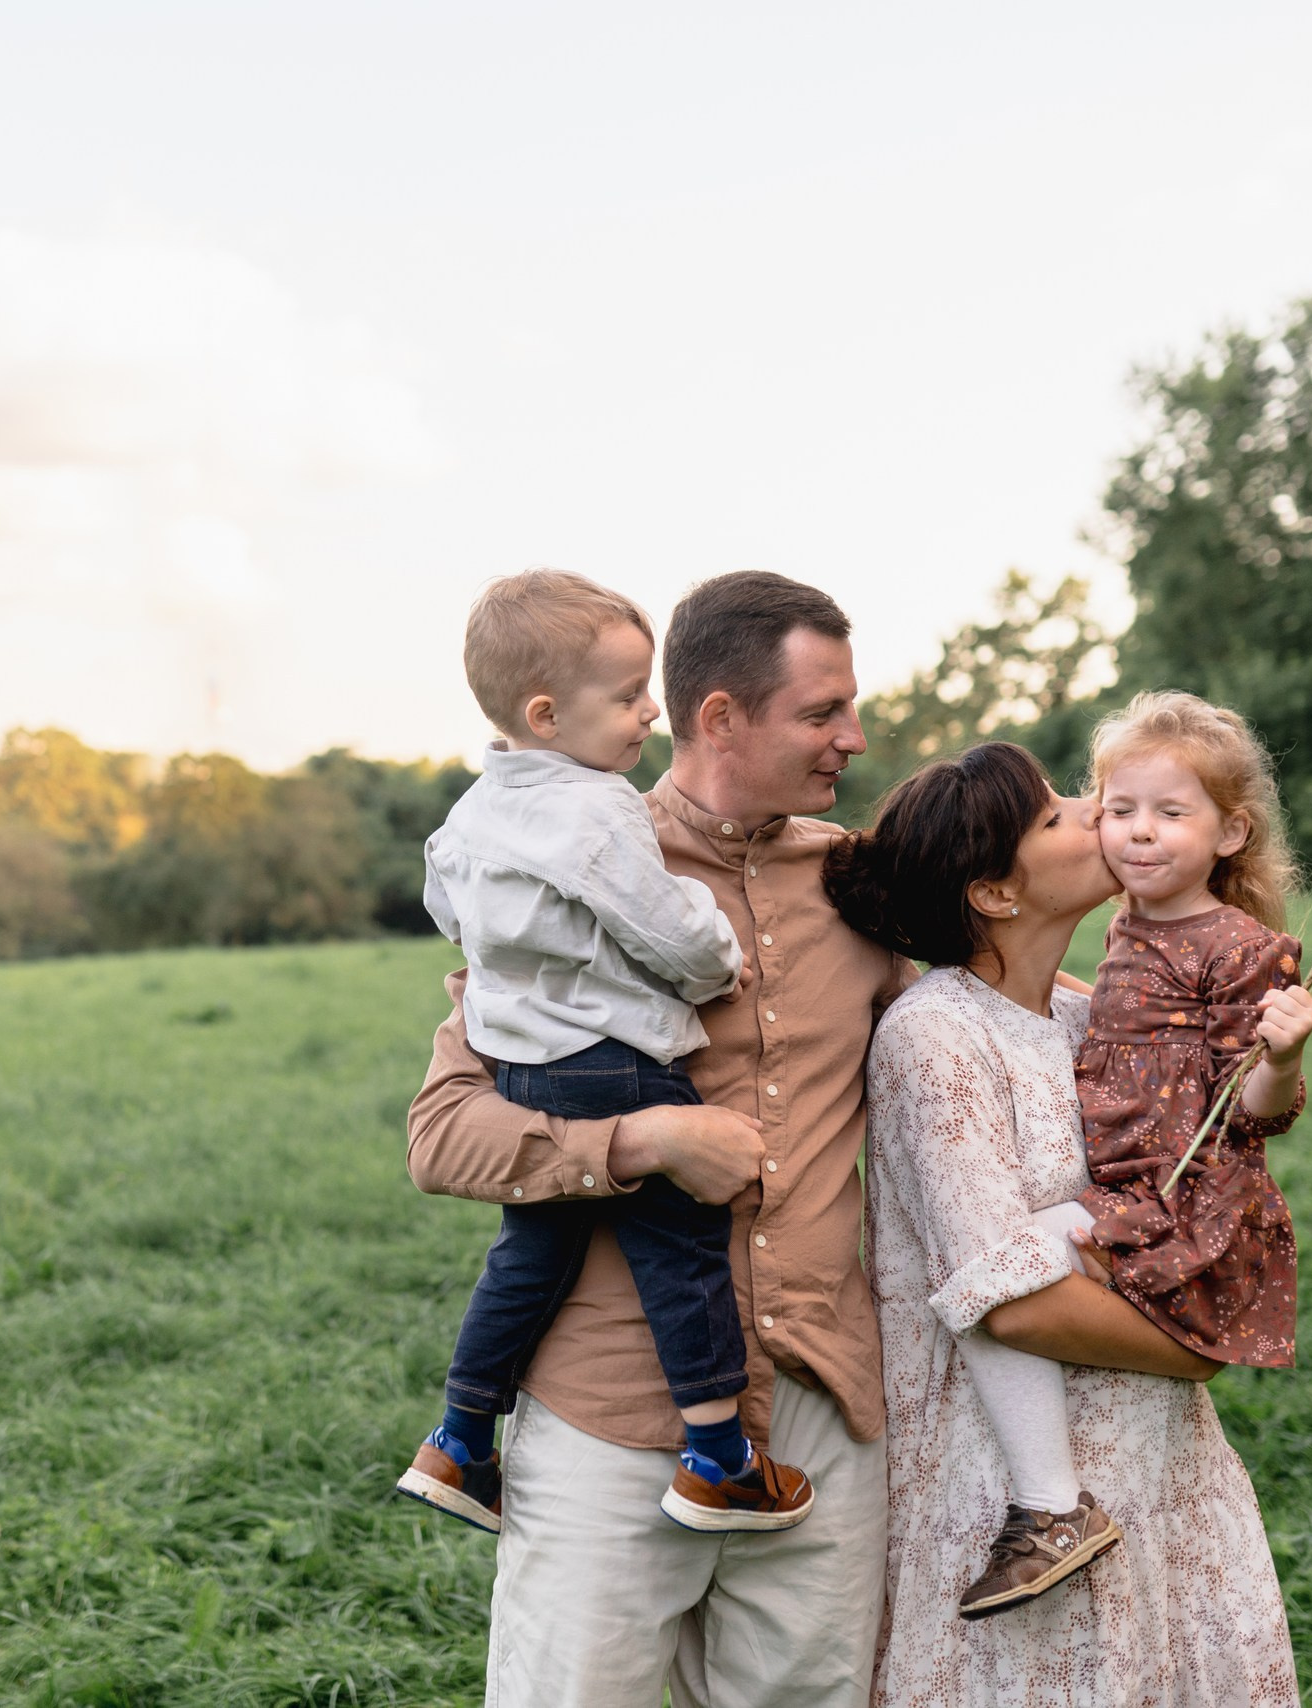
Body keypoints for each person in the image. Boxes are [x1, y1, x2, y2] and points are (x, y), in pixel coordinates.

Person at [408, 570, 906, 1708]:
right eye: (823, 711)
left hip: (823, 1412)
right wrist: (642, 1140)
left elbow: (983, 1014)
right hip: (609, 1426)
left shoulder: (857, 882)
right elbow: (443, 1136)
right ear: (722, 716)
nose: (854, 736)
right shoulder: (557, 870)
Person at [832, 741, 1301, 1705]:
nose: (1099, 811)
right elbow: (1012, 1307)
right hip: (1017, 1485)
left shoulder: (1090, 1017)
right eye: (1055, 813)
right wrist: (1196, 1351)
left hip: (1155, 1458)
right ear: (996, 894)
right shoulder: (936, 1036)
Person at [397, 569, 816, 1539]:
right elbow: (665, 929)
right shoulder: (597, 809)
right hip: (617, 1059)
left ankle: (459, 1436)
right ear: (545, 714)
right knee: (681, 1249)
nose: (645, 717)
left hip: (526, 1068)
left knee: (528, 1253)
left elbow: (448, 915)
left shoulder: (466, 819)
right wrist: (720, 960)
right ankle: (717, 1455)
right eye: (627, 697)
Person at [938, 692, 1312, 1619]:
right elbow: (1107, 1010)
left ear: (1231, 832)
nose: (1139, 833)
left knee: (991, 1276)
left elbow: (1260, 1115)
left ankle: (1049, 1506)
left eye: (1172, 813)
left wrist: (1285, 1053)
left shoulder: (1241, 948)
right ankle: (1051, 1501)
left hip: (1177, 1196)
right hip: (1125, 1183)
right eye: (1119, 809)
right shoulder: (1125, 929)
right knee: (997, 1276)